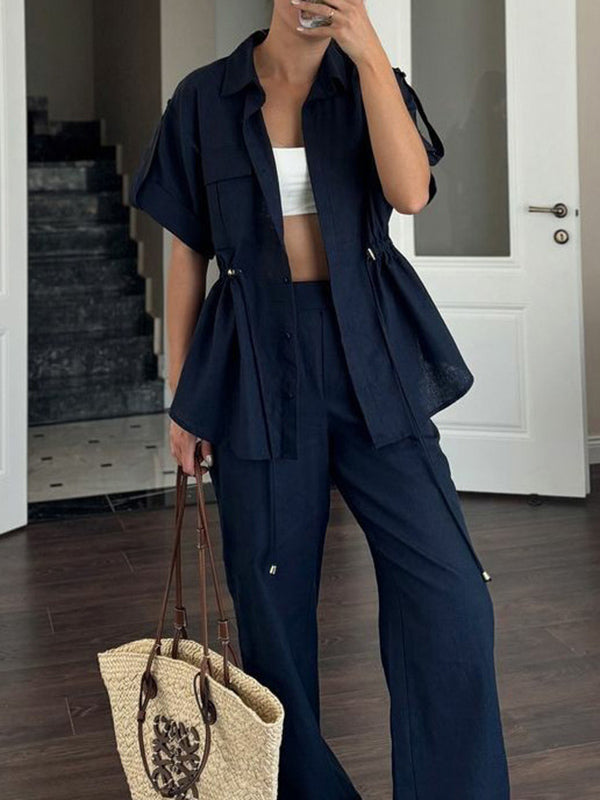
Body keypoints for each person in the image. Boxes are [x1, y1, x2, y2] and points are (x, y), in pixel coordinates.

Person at [129, 2, 511, 798]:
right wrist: (184, 398)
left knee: (451, 595)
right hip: (255, 363)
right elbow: (187, 253)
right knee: (271, 606)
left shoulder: (374, 82)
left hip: (371, 352)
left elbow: (411, 194)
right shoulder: (204, 99)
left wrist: (368, 56)